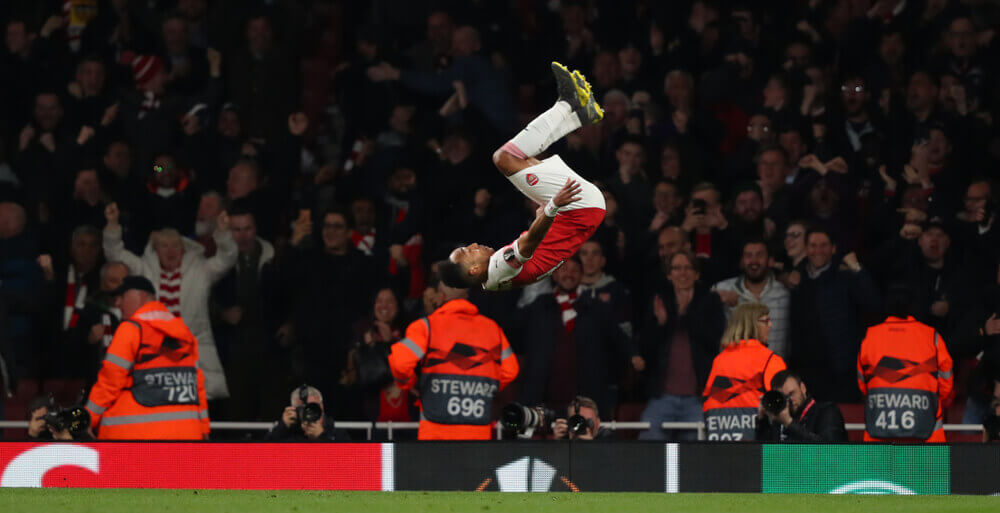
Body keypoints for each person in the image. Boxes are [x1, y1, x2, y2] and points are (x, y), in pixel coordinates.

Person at [439, 62, 606, 291]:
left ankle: (580, 114)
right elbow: (527, 245)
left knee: (521, 160)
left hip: (583, 213)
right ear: (474, 270)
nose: (474, 245)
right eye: (469, 252)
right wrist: (552, 207)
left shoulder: (492, 282)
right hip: (578, 208)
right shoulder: (499, 266)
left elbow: (537, 255)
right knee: (504, 158)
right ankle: (568, 103)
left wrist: (545, 217)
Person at [102, 202, 235, 400]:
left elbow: (226, 258)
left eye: (175, 245)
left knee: (198, 399)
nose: (170, 250)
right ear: (155, 249)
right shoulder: (144, 269)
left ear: (183, 249)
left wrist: (223, 233)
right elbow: (116, 254)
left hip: (194, 350)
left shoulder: (201, 271)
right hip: (155, 350)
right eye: (164, 245)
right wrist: (113, 225)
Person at [388, 266, 519, 440]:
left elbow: (400, 363)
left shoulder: (426, 327)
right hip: (478, 438)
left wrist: (412, 384)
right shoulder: (492, 329)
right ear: (466, 292)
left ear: (440, 291)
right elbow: (511, 370)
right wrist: (485, 386)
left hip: (435, 438)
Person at [85, 276, 209, 440]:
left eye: (122, 297)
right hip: (186, 437)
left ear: (142, 296)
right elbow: (196, 387)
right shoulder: (185, 334)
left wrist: (85, 421)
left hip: (134, 441)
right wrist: (203, 429)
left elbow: (109, 383)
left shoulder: (130, 330)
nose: (118, 304)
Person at [639, 250, 724, 441]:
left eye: (688, 268)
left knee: (694, 455)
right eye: (676, 268)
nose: (682, 273)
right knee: (647, 443)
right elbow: (646, 349)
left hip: (697, 398)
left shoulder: (710, 301)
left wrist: (685, 315)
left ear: (697, 274)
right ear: (669, 275)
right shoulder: (659, 301)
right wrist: (661, 324)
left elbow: (713, 341)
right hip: (662, 397)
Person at [857, 285, 954, 442]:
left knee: (879, 468)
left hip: (879, 437)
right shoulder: (931, 336)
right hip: (927, 438)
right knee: (930, 467)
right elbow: (946, 384)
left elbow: (863, 385)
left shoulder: (870, 336)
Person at [702, 302, 787, 441]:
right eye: (766, 321)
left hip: (719, 442)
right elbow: (782, 406)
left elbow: (707, 404)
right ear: (752, 324)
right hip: (756, 445)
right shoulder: (770, 360)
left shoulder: (719, 360)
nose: (770, 325)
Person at [713, 240, 791, 357]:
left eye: (759, 255)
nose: (754, 261)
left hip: (776, 372)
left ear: (770, 261)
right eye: (748, 256)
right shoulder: (721, 289)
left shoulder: (785, 293)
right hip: (734, 372)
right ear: (742, 261)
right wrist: (715, 299)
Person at [755, 370, 848, 442]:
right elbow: (760, 457)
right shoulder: (779, 418)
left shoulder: (827, 411)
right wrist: (762, 420)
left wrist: (789, 423)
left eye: (791, 394)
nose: (788, 401)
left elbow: (830, 450)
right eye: (783, 398)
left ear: (803, 388)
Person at [266, 385, 349, 441]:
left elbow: (345, 463)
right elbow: (263, 458)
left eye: (313, 408)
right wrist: (282, 427)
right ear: (294, 411)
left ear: (322, 407)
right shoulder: (287, 434)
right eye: (304, 409)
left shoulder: (338, 434)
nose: (309, 413)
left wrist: (322, 437)